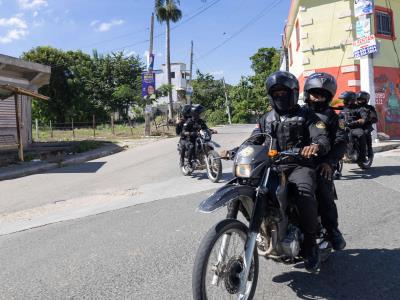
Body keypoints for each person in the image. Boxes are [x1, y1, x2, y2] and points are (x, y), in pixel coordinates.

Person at [223, 71, 331, 273]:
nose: (279, 96)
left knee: (303, 192)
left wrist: (315, 146)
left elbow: (322, 137)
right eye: (276, 92)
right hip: (272, 166)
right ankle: (264, 228)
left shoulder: (308, 115)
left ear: (293, 93)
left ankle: (310, 244)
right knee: (247, 188)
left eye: (283, 92)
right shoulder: (266, 118)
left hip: (299, 165)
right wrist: (236, 150)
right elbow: (255, 139)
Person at [303, 72, 347, 251]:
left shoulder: (334, 117)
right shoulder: (299, 112)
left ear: (328, 97)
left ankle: (332, 230)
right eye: (314, 93)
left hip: (321, 162)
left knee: (323, 190)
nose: (317, 97)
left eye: (322, 94)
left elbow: (341, 142)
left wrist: (329, 162)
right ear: (307, 93)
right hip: (295, 160)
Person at [339, 91, 369, 163]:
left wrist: (361, 120)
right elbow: (339, 117)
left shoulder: (359, 108)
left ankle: (362, 157)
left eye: (345, 100)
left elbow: (364, 116)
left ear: (351, 100)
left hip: (355, 127)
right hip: (345, 127)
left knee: (360, 134)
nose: (344, 101)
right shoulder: (344, 109)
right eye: (344, 100)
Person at [357, 91, 378, 158]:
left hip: (365, 126)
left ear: (366, 100)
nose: (360, 101)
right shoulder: (354, 107)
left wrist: (368, 119)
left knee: (366, 132)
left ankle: (370, 151)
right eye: (359, 99)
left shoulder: (370, 108)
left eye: (362, 99)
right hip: (354, 125)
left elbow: (374, 118)